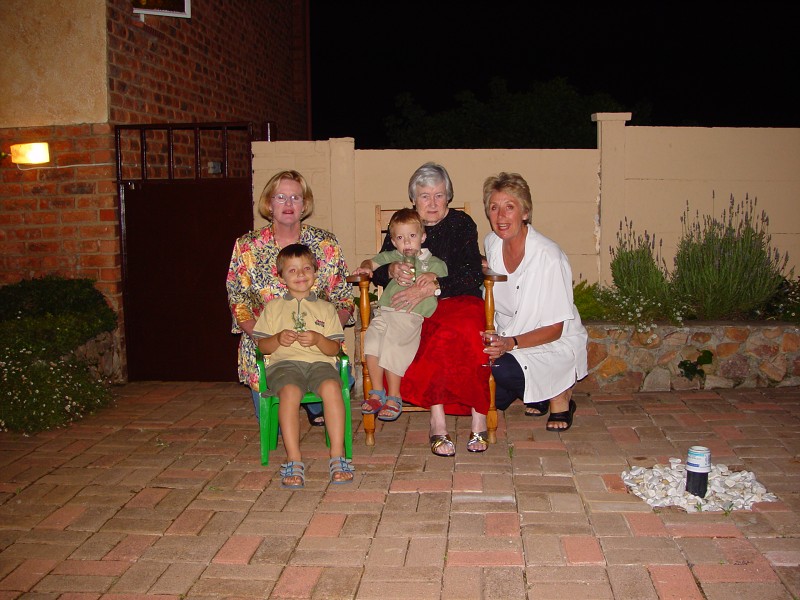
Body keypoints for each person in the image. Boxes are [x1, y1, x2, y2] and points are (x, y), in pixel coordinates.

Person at [370, 162, 489, 456]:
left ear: (448, 196)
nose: (432, 203)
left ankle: (479, 417)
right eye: (425, 196)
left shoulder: (462, 223)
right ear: (414, 199)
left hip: (459, 299)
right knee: (432, 332)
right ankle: (438, 420)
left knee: (464, 330)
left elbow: (471, 273)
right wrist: (391, 270)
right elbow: (378, 269)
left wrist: (435, 286)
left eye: (439, 195)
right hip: (415, 308)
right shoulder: (404, 224)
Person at [226, 170, 355, 427]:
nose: (288, 204)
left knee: (333, 384)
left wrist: (326, 335)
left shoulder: (326, 244)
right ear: (268, 203)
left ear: (304, 205)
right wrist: (265, 338)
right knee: (273, 427)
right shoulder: (247, 246)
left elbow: (343, 298)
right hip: (267, 348)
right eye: (281, 197)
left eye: (295, 198)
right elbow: (238, 301)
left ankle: (316, 402)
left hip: (317, 347)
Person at [481, 172, 588, 432]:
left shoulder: (549, 257)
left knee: (499, 370)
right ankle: (536, 392)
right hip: (508, 338)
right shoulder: (492, 243)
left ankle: (559, 395)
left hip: (549, 341)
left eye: (509, 207)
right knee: (480, 380)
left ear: (525, 212)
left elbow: (556, 329)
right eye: (494, 208)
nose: (500, 216)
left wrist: (510, 343)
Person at [252, 244, 354, 488]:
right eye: (292, 270)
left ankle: (337, 456)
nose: (300, 274)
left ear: (315, 272)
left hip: (320, 364)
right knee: (290, 392)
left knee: (331, 387)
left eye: (306, 268)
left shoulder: (326, 308)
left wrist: (318, 339)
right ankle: (294, 459)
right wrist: (278, 339)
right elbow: (262, 347)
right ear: (281, 277)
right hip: (284, 365)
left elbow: (334, 349)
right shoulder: (274, 308)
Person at [353, 208, 448, 421]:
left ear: (422, 237)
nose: (407, 242)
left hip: (410, 315)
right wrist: (365, 268)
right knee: (371, 341)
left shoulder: (433, 262)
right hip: (385, 312)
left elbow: (445, 277)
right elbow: (372, 262)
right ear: (393, 242)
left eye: (412, 236)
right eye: (400, 238)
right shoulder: (393, 257)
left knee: (393, 345)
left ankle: (394, 396)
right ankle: (377, 392)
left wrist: (432, 276)